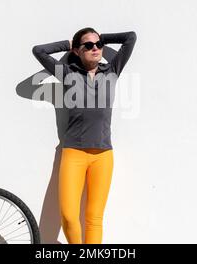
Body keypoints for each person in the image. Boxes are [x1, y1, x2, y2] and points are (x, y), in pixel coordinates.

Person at [32, 27, 137, 244]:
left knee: (94, 218)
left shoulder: (112, 70)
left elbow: (130, 38)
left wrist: (102, 38)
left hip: (103, 155)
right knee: (69, 217)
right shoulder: (68, 73)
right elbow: (39, 51)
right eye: (88, 45)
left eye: (98, 45)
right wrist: (68, 43)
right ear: (78, 51)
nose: (95, 48)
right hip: (74, 153)